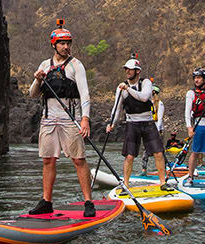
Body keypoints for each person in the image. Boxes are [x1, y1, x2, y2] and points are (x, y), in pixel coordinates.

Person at [27, 21, 95, 217]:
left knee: (78, 159)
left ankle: (88, 201)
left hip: (70, 119)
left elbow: (85, 93)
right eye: (62, 43)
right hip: (48, 119)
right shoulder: (44, 65)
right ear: (54, 45)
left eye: (68, 43)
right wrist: (38, 78)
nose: (66, 47)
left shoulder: (76, 65)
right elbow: (32, 94)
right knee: (48, 160)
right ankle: (46, 201)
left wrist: (85, 119)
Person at [106, 56, 169, 190]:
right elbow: (117, 108)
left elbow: (144, 97)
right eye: (126, 69)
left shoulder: (145, 82)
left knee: (158, 153)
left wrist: (128, 89)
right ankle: (126, 185)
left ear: (137, 71)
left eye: (131, 69)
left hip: (147, 122)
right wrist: (112, 123)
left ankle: (163, 182)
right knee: (129, 156)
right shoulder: (121, 88)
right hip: (132, 123)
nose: (128, 72)